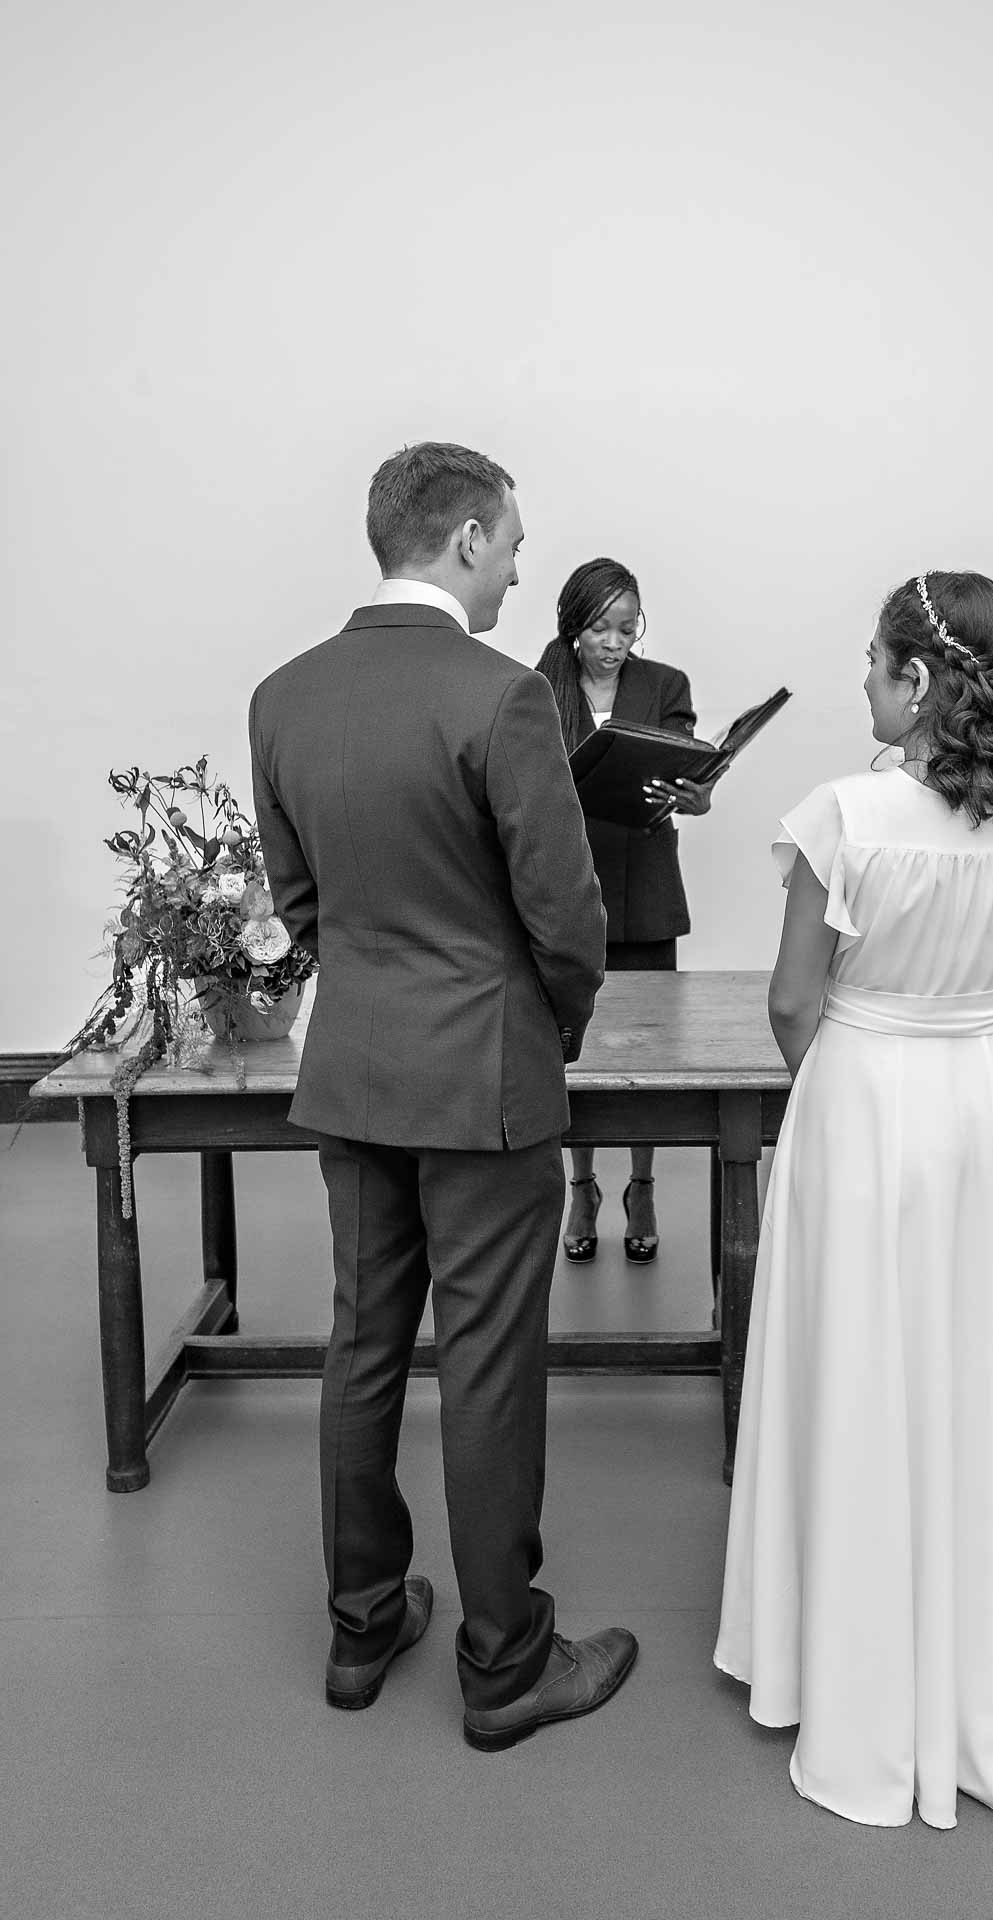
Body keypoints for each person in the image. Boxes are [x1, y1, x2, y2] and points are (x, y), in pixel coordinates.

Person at [715, 572, 993, 1829]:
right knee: (992, 1375)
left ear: (913, 679)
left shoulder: (848, 814)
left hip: (871, 1100)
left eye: (870, 663)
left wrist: (853, 1083)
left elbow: (795, 1001)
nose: (859, 683)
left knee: (861, 1370)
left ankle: (847, 1669)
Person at [249, 442, 637, 1749]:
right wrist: (556, 1025)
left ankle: (361, 1628)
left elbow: (299, 905)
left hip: (352, 1073)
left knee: (362, 1349)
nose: (523, 568)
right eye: (516, 544)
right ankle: (505, 1662)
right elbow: (564, 915)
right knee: (484, 1365)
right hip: (484, 1084)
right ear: (466, 539)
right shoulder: (499, 699)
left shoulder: (282, 698)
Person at [535, 558, 713, 1264]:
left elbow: (686, 771)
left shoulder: (665, 685)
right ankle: (582, 1186)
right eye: (602, 627)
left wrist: (696, 795)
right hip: (566, 886)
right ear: (573, 625)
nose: (615, 642)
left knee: (650, 1051)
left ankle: (640, 1185)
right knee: (570, 1048)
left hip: (642, 886)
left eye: (627, 628)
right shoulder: (537, 686)